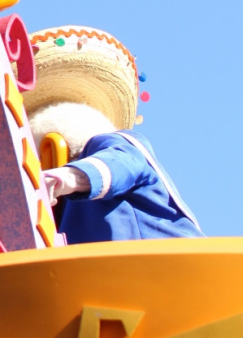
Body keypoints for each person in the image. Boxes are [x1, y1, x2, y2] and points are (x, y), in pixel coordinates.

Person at [23, 26, 203, 244]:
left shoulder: (117, 143)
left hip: (161, 255)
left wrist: (69, 176)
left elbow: (122, 163)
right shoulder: (58, 209)